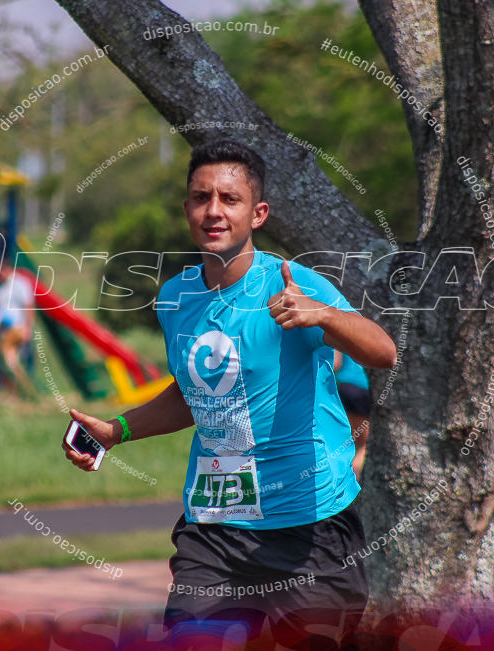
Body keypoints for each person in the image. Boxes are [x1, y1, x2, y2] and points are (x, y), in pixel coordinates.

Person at [62, 139, 397, 647]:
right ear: (187, 209)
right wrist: (116, 431)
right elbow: (193, 392)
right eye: (201, 198)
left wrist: (324, 316)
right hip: (215, 525)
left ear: (257, 213)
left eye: (229, 199)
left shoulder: (294, 284)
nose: (213, 211)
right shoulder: (177, 297)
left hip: (309, 526)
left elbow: (384, 352)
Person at [0, 264, 35, 373]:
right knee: (9, 357)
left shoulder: (20, 284)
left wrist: (28, 329)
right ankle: (19, 380)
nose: (0, 276)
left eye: (3, 272)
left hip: (17, 326)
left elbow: (29, 307)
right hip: (4, 330)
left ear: (9, 270)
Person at [333, 351, 370, 480]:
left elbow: (335, 362)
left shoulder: (348, 329)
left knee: (348, 442)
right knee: (364, 444)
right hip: (365, 387)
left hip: (346, 385)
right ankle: (350, 482)